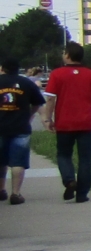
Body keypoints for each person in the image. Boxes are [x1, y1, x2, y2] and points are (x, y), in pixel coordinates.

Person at [43, 42, 91, 203]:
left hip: (65, 123)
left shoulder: (57, 74)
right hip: (86, 123)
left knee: (64, 154)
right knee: (85, 159)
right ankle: (82, 194)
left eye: (64, 52)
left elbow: (51, 98)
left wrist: (47, 118)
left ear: (67, 55)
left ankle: (69, 180)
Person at [0, 56, 45, 205]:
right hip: (21, 127)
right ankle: (16, 193)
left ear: (2, 68)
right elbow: (38, 103)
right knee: (18, 162)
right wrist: (30, 115)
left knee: (1, 161)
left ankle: (1, 190)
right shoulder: (26, 83)